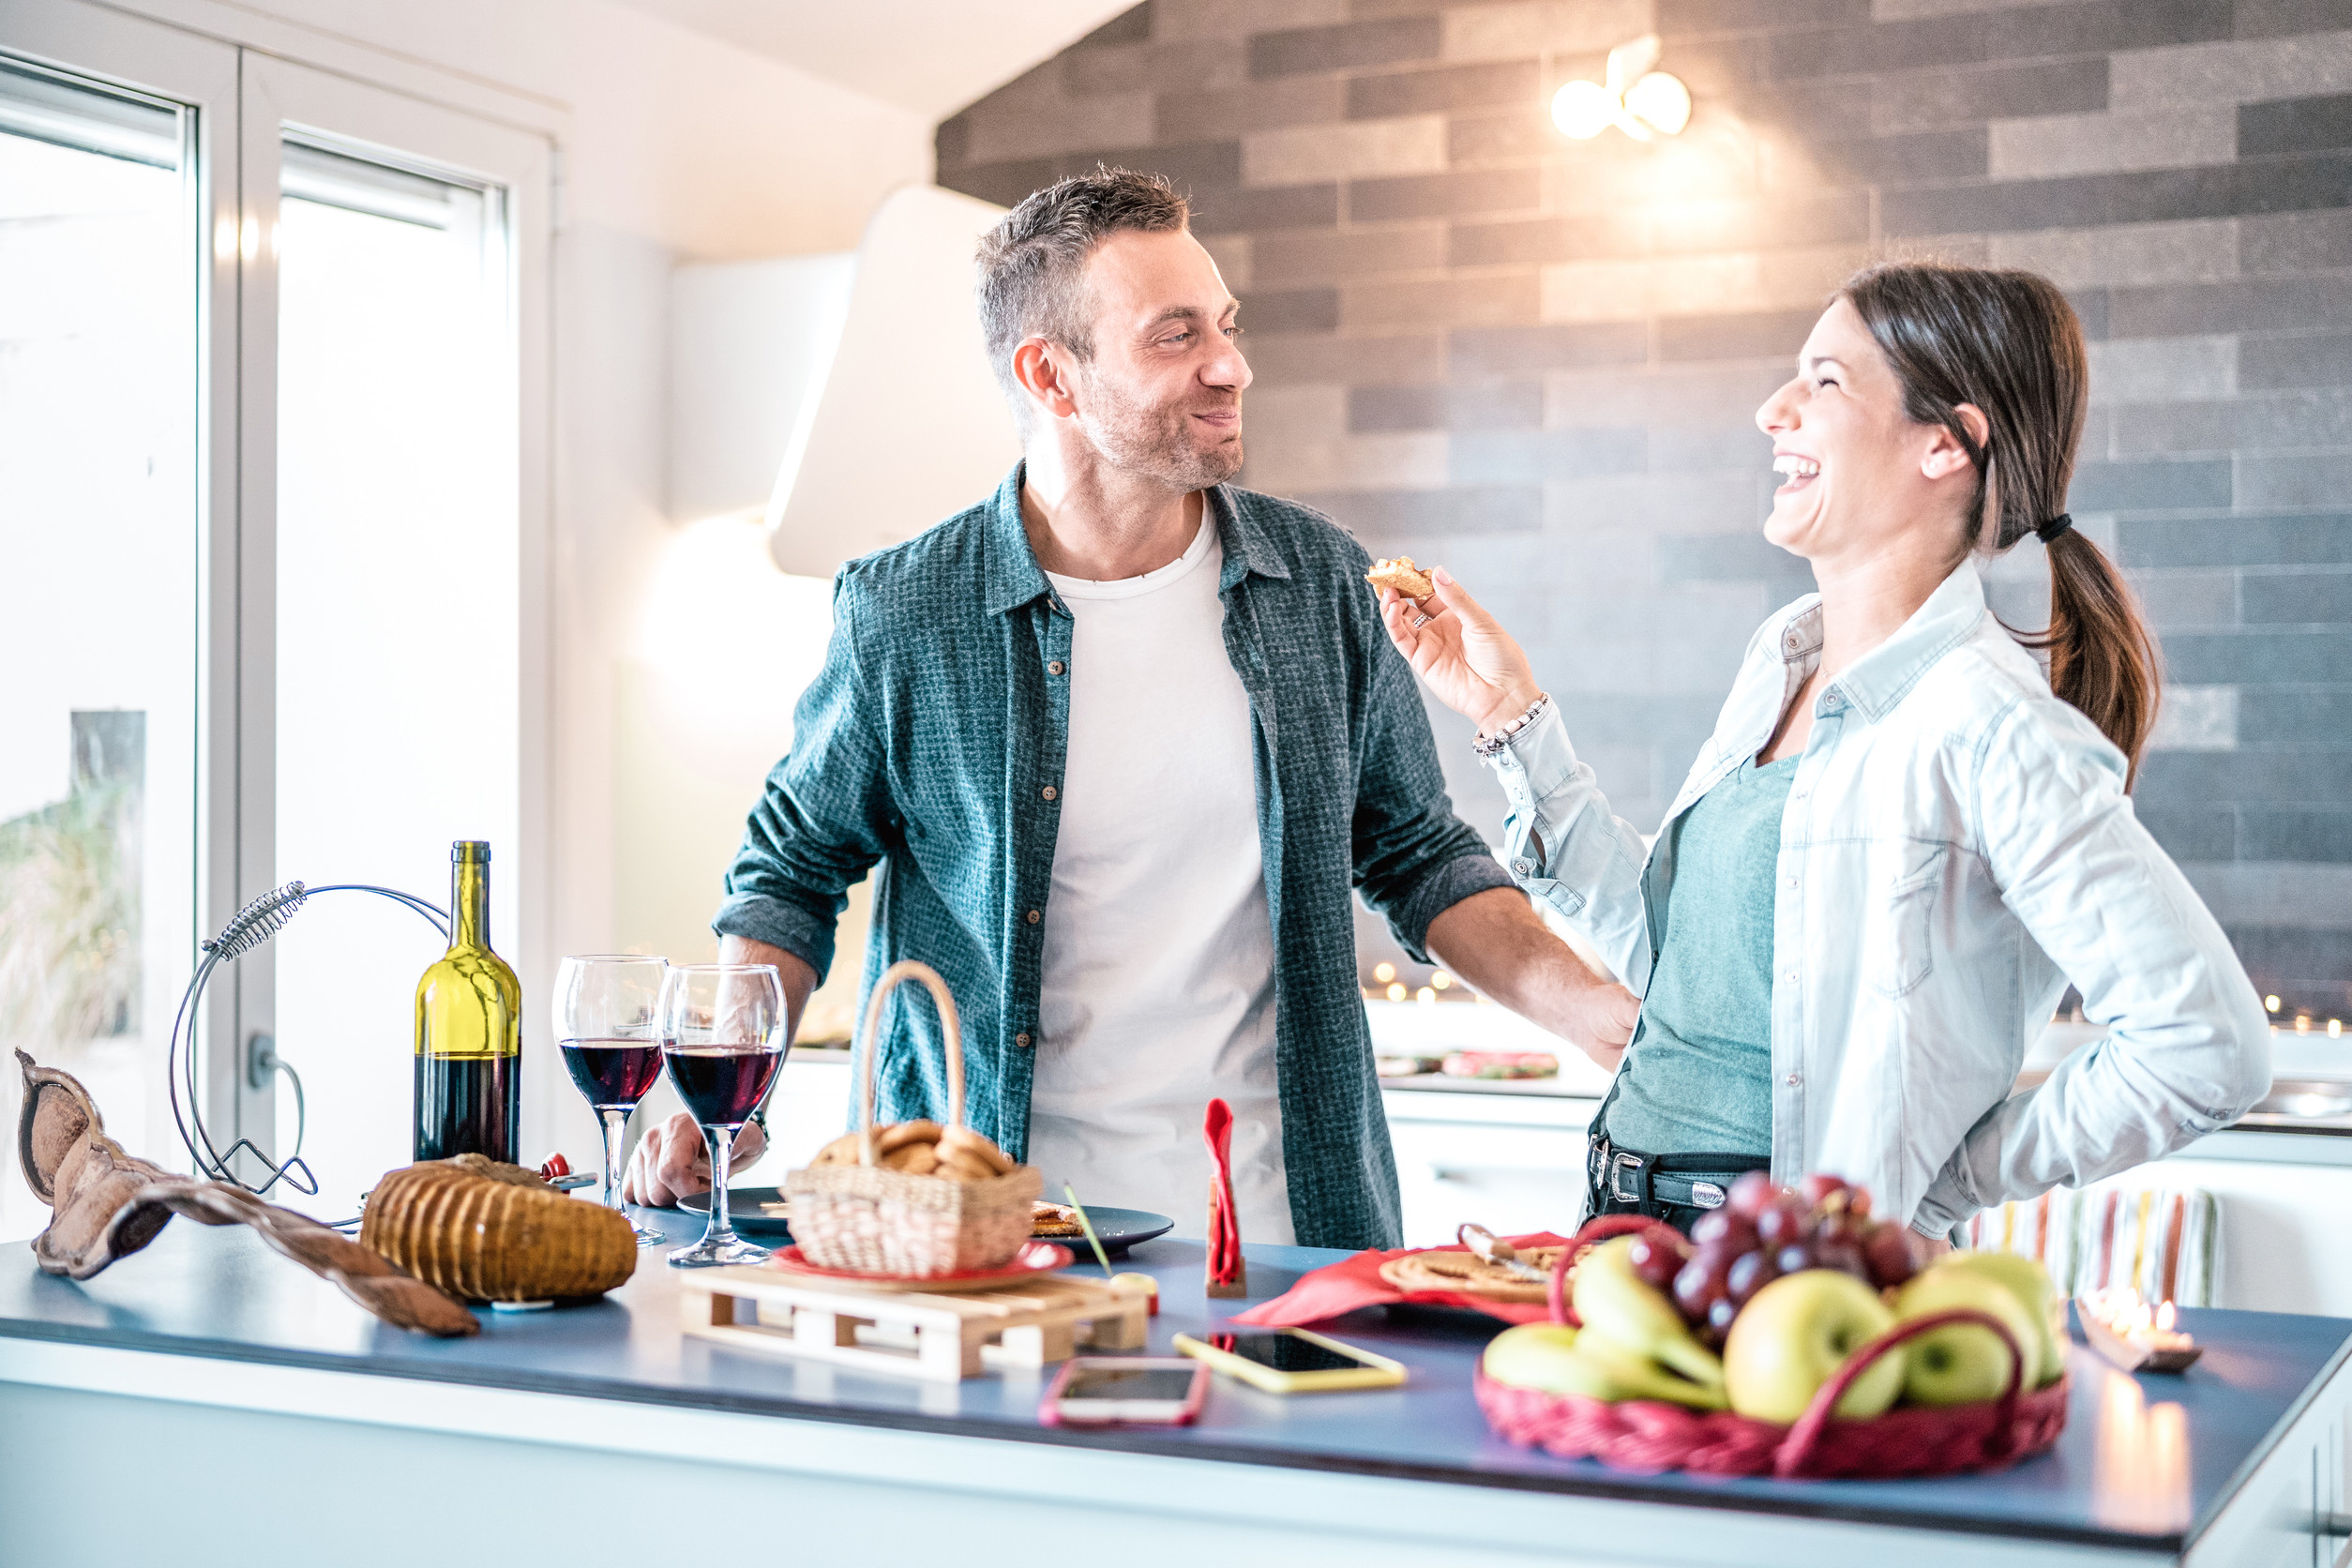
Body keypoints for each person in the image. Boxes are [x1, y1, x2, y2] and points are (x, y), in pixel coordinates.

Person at [626, 167, 1638, 1249]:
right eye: (1175, 335)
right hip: (983, 1237)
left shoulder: (1321, 584)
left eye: (1227, 325)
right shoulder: (907, 610)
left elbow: (1417, 853)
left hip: (1286, 1228)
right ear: (1050, 377)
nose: (1230, 364)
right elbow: (791, 868)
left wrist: (1614, 1028)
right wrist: (724, 1084)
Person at [1380, 262, 2271, 1241]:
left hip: (1790, 1276)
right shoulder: (1782, 662)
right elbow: (1681, 972)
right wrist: (1516, 717)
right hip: (1620, 1230)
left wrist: (1941, 1179)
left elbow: (2207, 1044)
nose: (1774, 409)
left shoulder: (1990, 726)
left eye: (1827, 381)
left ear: (1945, 443)